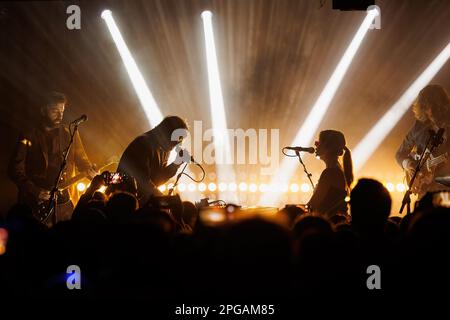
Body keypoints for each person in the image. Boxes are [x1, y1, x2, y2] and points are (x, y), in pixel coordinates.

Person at [8, 91, 97, 226]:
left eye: (62, 111)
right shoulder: (29, 134)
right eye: (55, 111)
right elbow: (14, 169)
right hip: (35, 203)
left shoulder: (69, 132)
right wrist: (35, 191)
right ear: (43, 110)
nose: (60, 115)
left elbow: (82, 160)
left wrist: (91, 171)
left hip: (64, 203)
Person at [117, 116, 189, 206]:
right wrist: (164, 199)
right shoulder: (144, 143)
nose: (179, 143)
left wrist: (176, 164)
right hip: (123, 203)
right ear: (168, 132)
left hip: (136, 203)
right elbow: (143, 182)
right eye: (179, 138)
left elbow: (156, 179)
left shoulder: (163, 149)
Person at [396, 84, 450, 197]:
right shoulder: (419, 126)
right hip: (424, 192)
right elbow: (400, 154)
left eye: (429, 105)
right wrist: (409, 164)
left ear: (440, 105)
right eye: (424, 106)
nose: (427, 110)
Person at [307, 130, 353, 218]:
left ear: (328, 147)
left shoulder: (330, 173)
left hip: (330, 224)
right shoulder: (335, 170)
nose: (315, 146)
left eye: (318, 143)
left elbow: (313, 203)